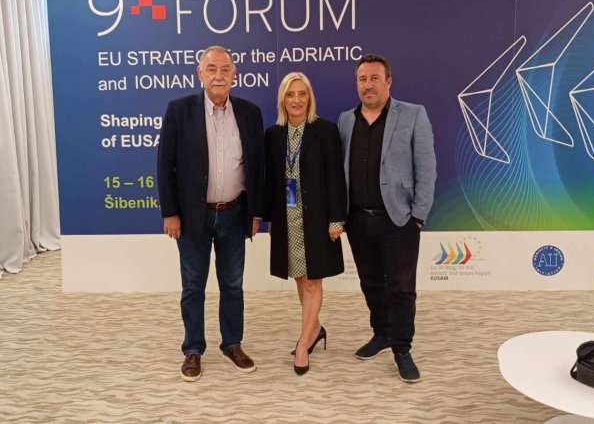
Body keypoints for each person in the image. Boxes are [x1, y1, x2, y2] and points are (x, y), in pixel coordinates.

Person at [157, 45, 265, 382]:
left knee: (233, 285)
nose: (219, 75)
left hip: (234, 213)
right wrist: (170, 213)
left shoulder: (250, 112)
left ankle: (232, 344)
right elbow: (165, 165)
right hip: (192, 216)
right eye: (212, 69)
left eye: (225, 69)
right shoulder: (179, 110)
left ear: (234, 74)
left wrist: (255, 213)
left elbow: (258, 167)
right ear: (200, 74)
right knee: (193, 286)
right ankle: (193, 349)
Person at [337, 54, 436, 383]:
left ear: (388, 81)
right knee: (370, 283)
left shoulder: (413, 114)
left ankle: (402, 349)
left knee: (401, 289)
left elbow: (427, 170)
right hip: (358, 221)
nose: (368, 85)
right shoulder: (345, 120)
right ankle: (381, 333)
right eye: (362, 79)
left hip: (399, 220)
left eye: (374, 78)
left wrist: (417, 216)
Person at [263, 72, 346, 375]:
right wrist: (270, 219)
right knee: (300, 277)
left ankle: (302, 344)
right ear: (282, 100)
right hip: (287, 217)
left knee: (313, 280)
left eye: (302, 94)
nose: (296, 100)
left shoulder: (325, 131)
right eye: (290, 94)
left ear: (310, 98)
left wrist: (337, 219)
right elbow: (271, 181)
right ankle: (315, 329)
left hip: (318, 218)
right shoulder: (273, 134)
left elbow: (336, 177)